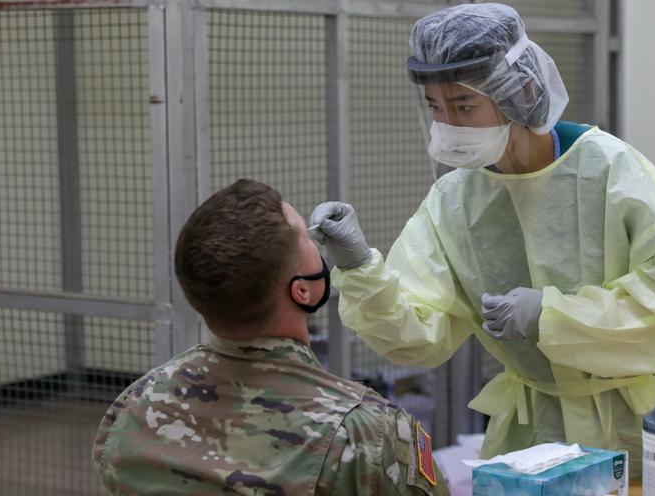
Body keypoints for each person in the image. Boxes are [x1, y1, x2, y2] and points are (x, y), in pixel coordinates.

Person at [310, 3, 655, 475]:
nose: (448, 125)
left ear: (520, 91)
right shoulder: (456, 200)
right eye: (436, 108)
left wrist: (552, 316)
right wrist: (358, 266)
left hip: (649, 427)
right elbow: (419, 338)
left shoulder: (614, 175)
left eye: (464, 106)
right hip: (537, 435)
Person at [92, 179, 449, 495]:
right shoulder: (365, 433)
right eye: (306, 238)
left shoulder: (137, 404)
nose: (316, 244)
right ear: (302, 292)